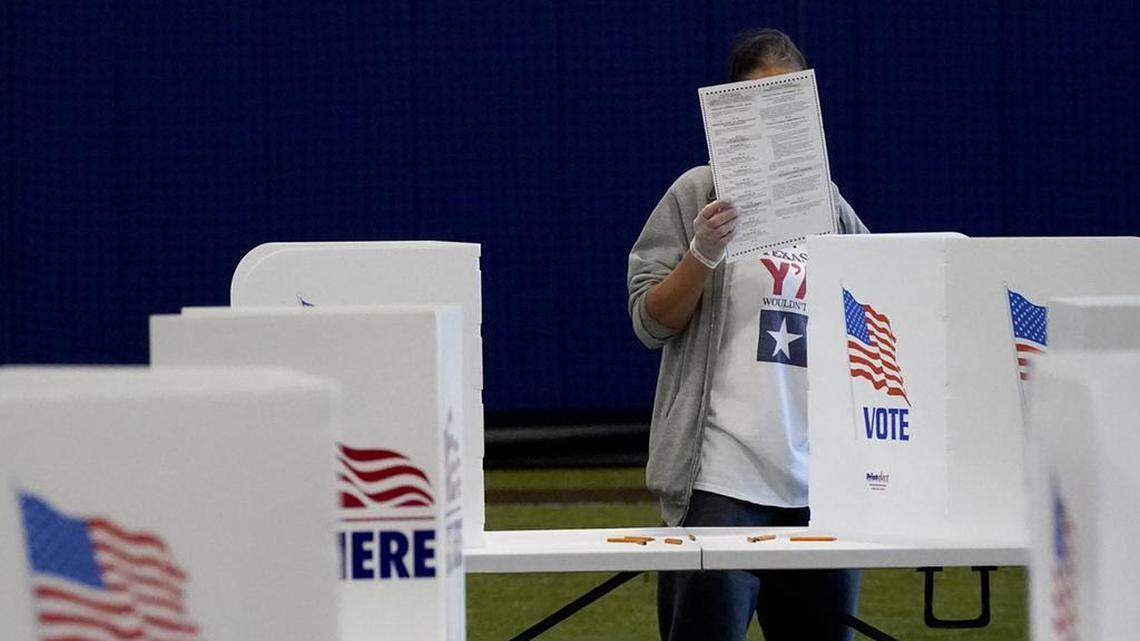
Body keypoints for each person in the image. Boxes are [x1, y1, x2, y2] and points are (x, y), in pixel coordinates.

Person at [626, 28, 869, 641]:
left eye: (788, 99)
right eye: (757, 99)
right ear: (728, 110)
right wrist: (702, 253)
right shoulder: (696, 192)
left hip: (818, 480)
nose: (772, 115)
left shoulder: (830, 206)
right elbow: (651, 321)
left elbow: (876, 310)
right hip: (720, 478)